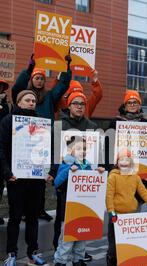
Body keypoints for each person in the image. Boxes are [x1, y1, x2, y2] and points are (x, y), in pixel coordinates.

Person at [11, 54, 73, 222]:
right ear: (31, 79)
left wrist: (67, 66)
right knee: (25, 178)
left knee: (41, 178)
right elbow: (16, 87)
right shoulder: (25, 96)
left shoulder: (49, 97)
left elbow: (63, 85)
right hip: (24, 144)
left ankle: (40, 209)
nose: (39, 81)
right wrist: (30, 67)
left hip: (43, 142)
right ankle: (24, 210)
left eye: (42, 78)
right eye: (36, 78)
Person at [0, 90, 51, 266]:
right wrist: (6, 172)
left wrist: (48, 170)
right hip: (16, 178)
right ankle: (11, 253)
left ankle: (33, 253)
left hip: (36, 178)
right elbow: (0, 147)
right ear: (19, 102)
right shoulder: (8, 121)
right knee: (15, 217)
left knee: (33, 217)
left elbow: (47, 148)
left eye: (34, 100)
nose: (31, 102)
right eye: (27, 100)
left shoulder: (41, 123)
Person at [49, 92, 99, 257]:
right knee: (63, 215)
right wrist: (53, 172)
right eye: (75, 103)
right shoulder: (59, 125)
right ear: (69, 106)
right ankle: (59, 246)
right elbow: (54, 150)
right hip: (65, 178)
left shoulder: (91, 126)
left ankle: (79, 251)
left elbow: (96, 153)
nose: (79, 106)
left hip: (85, 179)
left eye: (82, 104)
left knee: (82, 214)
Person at [52, 136, 105, 266]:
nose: (83, 151)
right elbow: (56, 182)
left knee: (81, 242)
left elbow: (94, 181)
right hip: (69, 212)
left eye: (84, 148)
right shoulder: (67, 164)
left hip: (84, 212)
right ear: (71, 150)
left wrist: (99, 172)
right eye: (79, 148)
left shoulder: (87, 166)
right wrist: (69, 171)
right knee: (66, 243)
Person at [105, 149, 147, 266]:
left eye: (127, 160)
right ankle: (111, 262)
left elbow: (144, 192)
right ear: (117, 162)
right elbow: (109, 196)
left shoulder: (135, 177)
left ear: (131, 162)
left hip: (131, 214)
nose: (124, 162)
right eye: (121, 160)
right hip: (116, 216)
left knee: (129, 241)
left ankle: (127, 263)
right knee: (113, 242)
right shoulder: (113, 177)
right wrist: (111, 212)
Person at [106, 90, 147, 191]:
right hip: (119, 172)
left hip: (141, 175)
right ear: (125, 106)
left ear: (139, 105)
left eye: (135, 102)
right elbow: (107, 147)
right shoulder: (115, 123)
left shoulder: (146, 124)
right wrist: (110, 168)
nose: (132, 105)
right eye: (129, 102)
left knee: (137, 203)